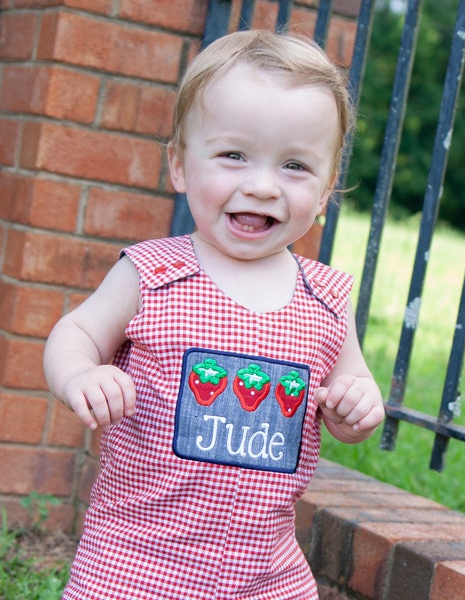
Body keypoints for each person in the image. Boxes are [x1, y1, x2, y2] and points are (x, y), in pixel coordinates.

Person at [44, 29, 384, 600]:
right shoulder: (153, 273)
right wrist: (80, 372)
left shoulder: (326, 299)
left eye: (295, 166)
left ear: (326, 192)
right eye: (233, 155)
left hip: (265, 572)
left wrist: (356, 408)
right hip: (136, 558)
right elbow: (75, 331)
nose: (261, 186)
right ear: (179, 166)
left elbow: (352, 381)